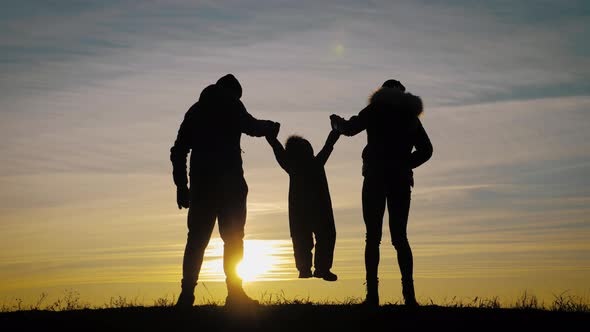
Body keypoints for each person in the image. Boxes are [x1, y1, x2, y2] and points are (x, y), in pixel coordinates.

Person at [170, 73, 280, 308]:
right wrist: (270, 127)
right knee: (233, 239)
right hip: (230, 185)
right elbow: (250, 126)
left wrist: (182, 185)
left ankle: (186, 295)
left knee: (196, 240)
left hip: (201, 185)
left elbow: (178, 150)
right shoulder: (232, 104)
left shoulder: (195, 110)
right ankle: (235, 294)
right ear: (234, 93)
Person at [330, 79, 433, 307]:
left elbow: (349, 129)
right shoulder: (410, 116)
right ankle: (409, 297)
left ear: (382, 92)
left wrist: (335, 122)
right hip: (400, 180)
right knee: (400, 238)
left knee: (372, 238)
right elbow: (427, 150)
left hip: (375, 178)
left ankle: (372, 297)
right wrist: (406, 164)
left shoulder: (375, 110)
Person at [265, 128, 341, 281]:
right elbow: (328, 146)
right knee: (322, 236)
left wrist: (271, 137)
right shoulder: (314, 164)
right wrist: (335, 132)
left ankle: (306, 268)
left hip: (300, 210)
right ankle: (320, 268)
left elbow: (278, 150)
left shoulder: (293, 166)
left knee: (302, 238)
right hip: (319, 209)